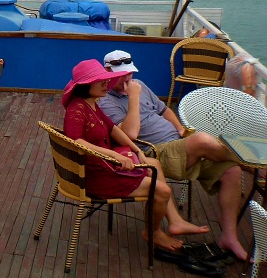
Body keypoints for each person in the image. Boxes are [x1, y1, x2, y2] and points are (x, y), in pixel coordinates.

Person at [98, 49, 247, 260]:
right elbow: (129, 134)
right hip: (153, 151)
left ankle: (229, 237)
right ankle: (250, 162)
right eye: (121, 73)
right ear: (107, 71)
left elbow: (164, 110)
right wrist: (133, 98)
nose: (127, 77)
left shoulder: (139, 85)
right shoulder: (106, 101)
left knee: (232, 171)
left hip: (179, 147)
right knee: (202, 140)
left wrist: (180, 129)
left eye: (129, 72)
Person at [62, 59, 205, 252]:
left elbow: (114, 130)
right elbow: (75, 141)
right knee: (163, 191)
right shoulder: (77, 108)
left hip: (102, 167)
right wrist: (116, 156)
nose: (106, 84)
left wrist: (137, 150)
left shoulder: (91, 104)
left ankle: (173, 221)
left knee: (153, 163)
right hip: (94, 176)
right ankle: (152, 232)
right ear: (86, 84)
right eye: (101, 80)